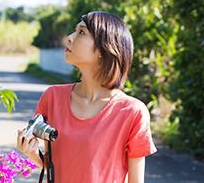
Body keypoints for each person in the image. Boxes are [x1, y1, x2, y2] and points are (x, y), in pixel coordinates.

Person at [17, 11, 157, 183]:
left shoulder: (132, 112)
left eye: (81, 32)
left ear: (104, 49)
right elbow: (55, 166)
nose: (69, 37)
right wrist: (31, 153)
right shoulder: (52, 98)